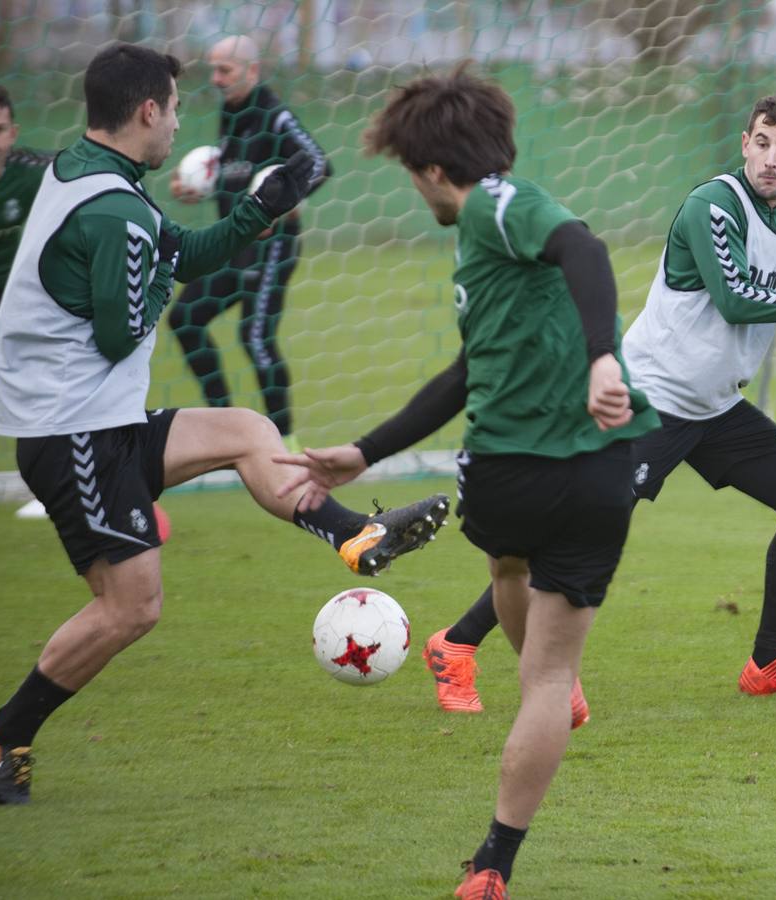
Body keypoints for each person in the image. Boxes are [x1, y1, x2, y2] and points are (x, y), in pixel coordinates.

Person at [284, 93, 776, 718]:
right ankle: (455, 644)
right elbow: (739, 299)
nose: (771, 157)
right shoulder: (714, 206)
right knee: (572, 538)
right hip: (648, 398)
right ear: (744, 142)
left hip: (715, 408)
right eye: (762, 141)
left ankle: (768, 665)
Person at [0, 44, 447, 807]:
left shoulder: (88, 172)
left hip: (98, 420)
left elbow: (185, 253)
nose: (178, 120)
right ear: (146, 110)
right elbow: (120, 329)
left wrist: (260, 207)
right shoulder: (113, 211)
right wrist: (154, 271)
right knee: (130, 606)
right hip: (75, 434)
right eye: (172, 105)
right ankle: (7, 732)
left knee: (245, 429)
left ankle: (353, 536)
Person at [277, 63, 659, 899]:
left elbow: (583, 246)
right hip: (598, 470)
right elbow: (466, 370)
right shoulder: (487, 236)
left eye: (414, 176)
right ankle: (494, 864)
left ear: (437, 172)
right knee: (547, 669)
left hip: (511, 473)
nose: (417, 190)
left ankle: (544, 697)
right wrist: (366, 450)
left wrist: (601, 355)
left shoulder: (494, 203)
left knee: (513, 583)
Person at [167, 35, 332, 449]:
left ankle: (285, 442)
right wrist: (196, 188)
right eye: (213, 70)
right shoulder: (230, 113)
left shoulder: (272, 113)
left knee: (254, 337)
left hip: (272, 246)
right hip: (234, 245)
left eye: (226, 70)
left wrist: (288, 200)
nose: (217, 79)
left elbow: (319, 162)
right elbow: (233, 174)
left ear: (252, 71)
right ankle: (223, 424)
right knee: (185, 318)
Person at [0, 85, 53, 338]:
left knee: (32, 365)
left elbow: (89, 165)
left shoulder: (32, 172)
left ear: (13, 133)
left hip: (7, 292)